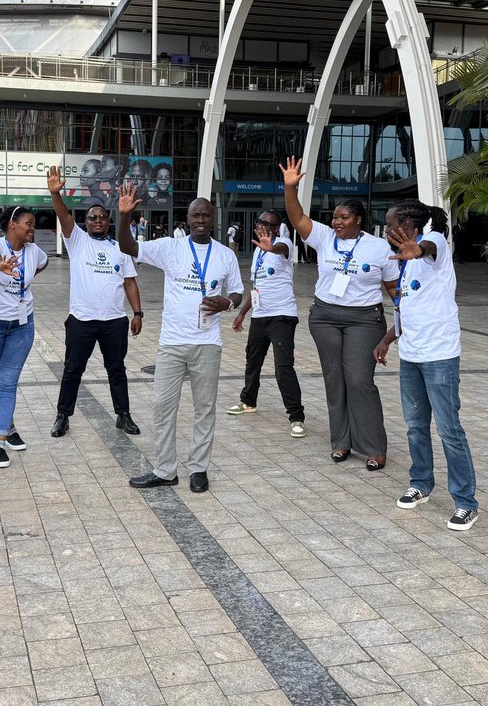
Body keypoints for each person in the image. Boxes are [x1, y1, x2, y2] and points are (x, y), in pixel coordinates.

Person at [118, 185, 243, 493]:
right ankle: (165, 469)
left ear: (213, 219)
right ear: (187, 219)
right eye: (195, 215)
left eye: (205, 215)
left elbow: (239, 292)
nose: (200, 219)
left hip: (208, 343)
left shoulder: (225, 255)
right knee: (162, 406)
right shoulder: (171, 248)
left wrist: (228, 303)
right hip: (172, 343)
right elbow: (128, 246)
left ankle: (199, 469)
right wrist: (123, 216)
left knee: (205, 408)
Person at [280, 156, 398, 469]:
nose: (337, 222)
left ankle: (373, 445)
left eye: (343, 217)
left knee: (359, 380)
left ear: (358, 220)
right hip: (325, 317)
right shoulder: (324, 238)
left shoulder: (379, 248)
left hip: (365, 320)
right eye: (334, 217)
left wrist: (404, 321)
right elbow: (297, 218)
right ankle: (341, 442)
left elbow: (394, 290)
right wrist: (290, 188)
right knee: (335, 380)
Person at [375, 199, 480, 531]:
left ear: (408, 225)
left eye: (391, 224)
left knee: (449, 430)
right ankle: (420, 483)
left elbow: (430, 249)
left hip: (439, 356)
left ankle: (466, 503)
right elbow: (407, 308)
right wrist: (388, 339)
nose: (387, 230)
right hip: (412, 355)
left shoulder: (435, 245)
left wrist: (418, 250)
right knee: (415, 426)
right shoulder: (403, 262)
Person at [46, 167, 143, 437]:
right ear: (86, 222)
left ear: (108, 222)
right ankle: (62, 416)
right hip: (81, 321)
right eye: (92, 218)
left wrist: (138, 313)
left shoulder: (121, 248)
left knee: (117, 370)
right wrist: (55, 193)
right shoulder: (77, 241)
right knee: (72, 370)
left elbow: (129, 282)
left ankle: (123, 415)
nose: (97, 221)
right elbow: (63, 215)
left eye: (101, 217)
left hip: (114, 321)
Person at [0, 205, 49, 468]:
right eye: (28, 223)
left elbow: (43, 263)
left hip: (21, 325)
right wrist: (0, 265)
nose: (32, 228)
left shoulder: (34, 252)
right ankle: (11, 427)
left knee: (7, 381)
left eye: (33, 224)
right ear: (12, 225)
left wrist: (23, 283)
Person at [229, 210, 306, 438]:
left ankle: (296, 416)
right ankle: (248, 401)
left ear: (277, 227)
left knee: (283, 367)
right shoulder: (257, 252)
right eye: (261, 223)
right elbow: (256, 287)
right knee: (252, 361)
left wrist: (271, 247)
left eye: (269, 224)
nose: (264, 227)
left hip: (282, 316)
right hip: (259, 316)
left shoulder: (284, 244)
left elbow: (281, 250)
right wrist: (243, 313)